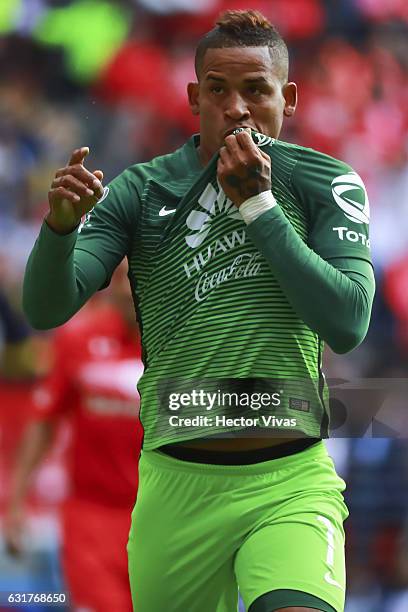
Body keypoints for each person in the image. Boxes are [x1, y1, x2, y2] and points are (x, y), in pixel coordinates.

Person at [22, 9, 375, 612]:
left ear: (287, 98)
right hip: (175, 485)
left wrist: (261, 209)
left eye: (256, 90)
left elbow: (348, 321)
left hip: (289, 480)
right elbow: (46, 307)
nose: (237, 107)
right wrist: (58, 230)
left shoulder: (326, 181)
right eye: (218, 89)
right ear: (194, 97)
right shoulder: (139, 190)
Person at [6, 262, 143, 611]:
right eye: (118, 278)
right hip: (91, 520)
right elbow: (43, 421)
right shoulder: (76, 339)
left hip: (165, 517)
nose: (126, 289)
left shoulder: (185, 346)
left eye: (136, 277)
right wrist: (17, 503)